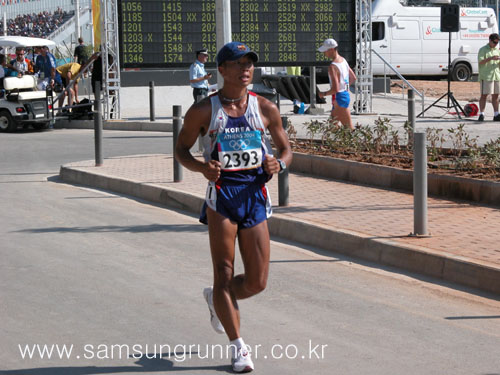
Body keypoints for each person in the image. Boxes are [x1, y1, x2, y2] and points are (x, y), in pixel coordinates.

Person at [175, 41, 292, 373]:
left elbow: (286, 150)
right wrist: (202, 169)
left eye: (249, 64)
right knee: (224, 274)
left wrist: (278, 165)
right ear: (221, 70)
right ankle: (238, 348)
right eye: (238, 63)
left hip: (255, 197)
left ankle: (216, 300)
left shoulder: (266, 108)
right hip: (222, 198)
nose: (246, 69)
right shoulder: (203, 111)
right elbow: (181, 151)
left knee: (257, 282)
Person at [317, 38, 357, 129]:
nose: (324, 53)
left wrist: (322, 94)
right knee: (332, 127)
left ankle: (359, 143)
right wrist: (344, 87)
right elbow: (353, 78)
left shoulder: (332, 66)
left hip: (339, 98)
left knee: (349, 129)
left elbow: (335, 89)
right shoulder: (343, 60)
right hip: (343, 96)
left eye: (325, 51)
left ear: (331, 50)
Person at [477, 33, 500, 122]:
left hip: (496, 75)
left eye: (497, 43)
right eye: (494, 42)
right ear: (490, 40)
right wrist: (490, 58)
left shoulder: (497, 50)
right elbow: (481, 62)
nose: (495, 44)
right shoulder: (483, 50)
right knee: (484, 95)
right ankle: (482, 114)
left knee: (496, 95)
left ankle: (496, 114)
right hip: (486, 76)